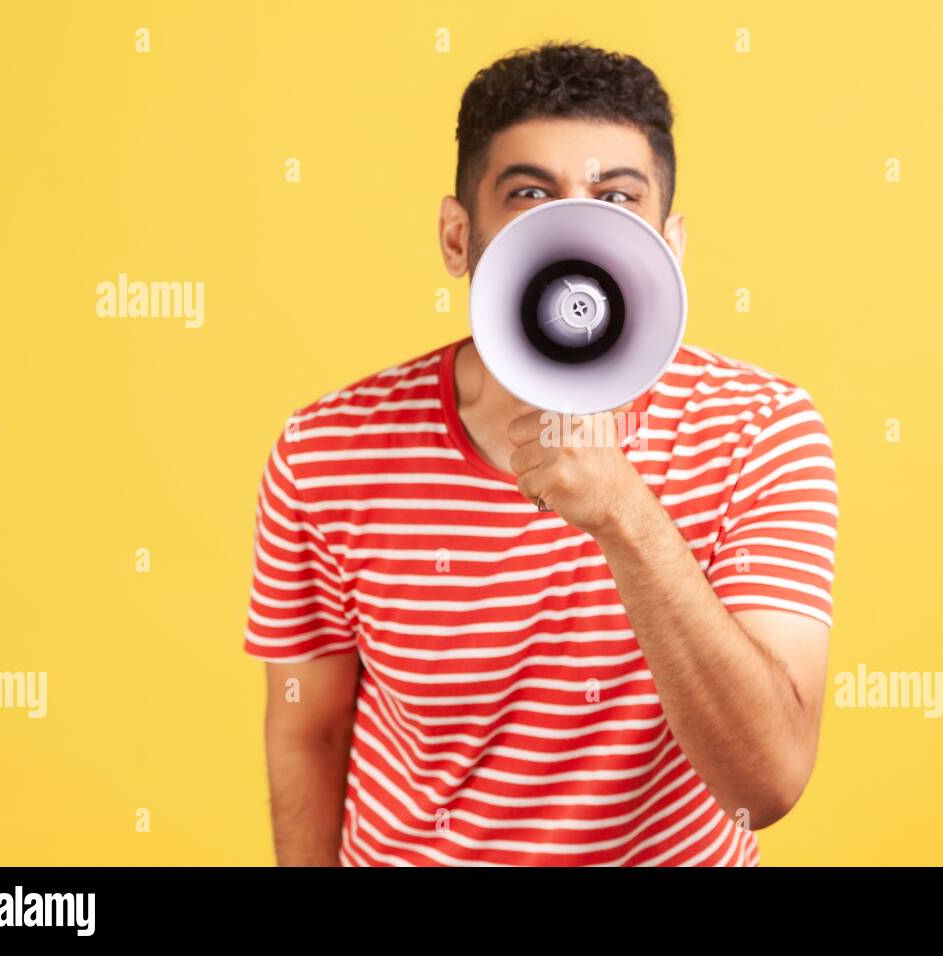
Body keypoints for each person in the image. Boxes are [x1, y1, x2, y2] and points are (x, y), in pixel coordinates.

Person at [244, 41, 838, 866]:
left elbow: (765, 783)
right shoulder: (329, 450)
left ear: (670, 243)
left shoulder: (758, 430)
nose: (574, 227)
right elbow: (311, 729)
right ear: (458, 237)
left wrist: (622, 514)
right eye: (530, 194)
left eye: (615, 198)